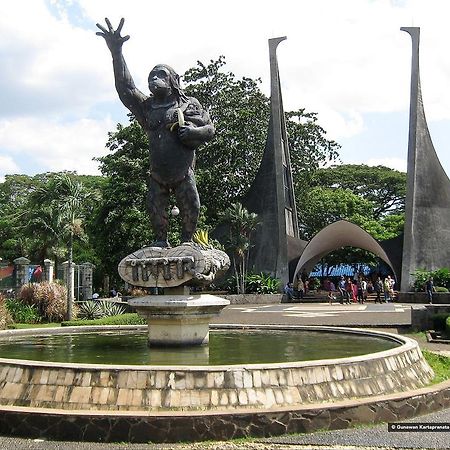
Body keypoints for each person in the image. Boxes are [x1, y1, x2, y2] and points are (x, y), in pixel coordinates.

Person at [96, 18, 215, 248]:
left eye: (160, 75)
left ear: (173, 81)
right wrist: (116, 52)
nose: (154, 80)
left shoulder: (188, 104)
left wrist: (193, 131)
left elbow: (209, 130)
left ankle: (187, 241)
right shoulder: (147, 107)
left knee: (192, 205)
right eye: (151, 76)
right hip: (157, 174)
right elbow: (126, 88)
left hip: (182, 171)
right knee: (154, 209)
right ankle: (161, 241)